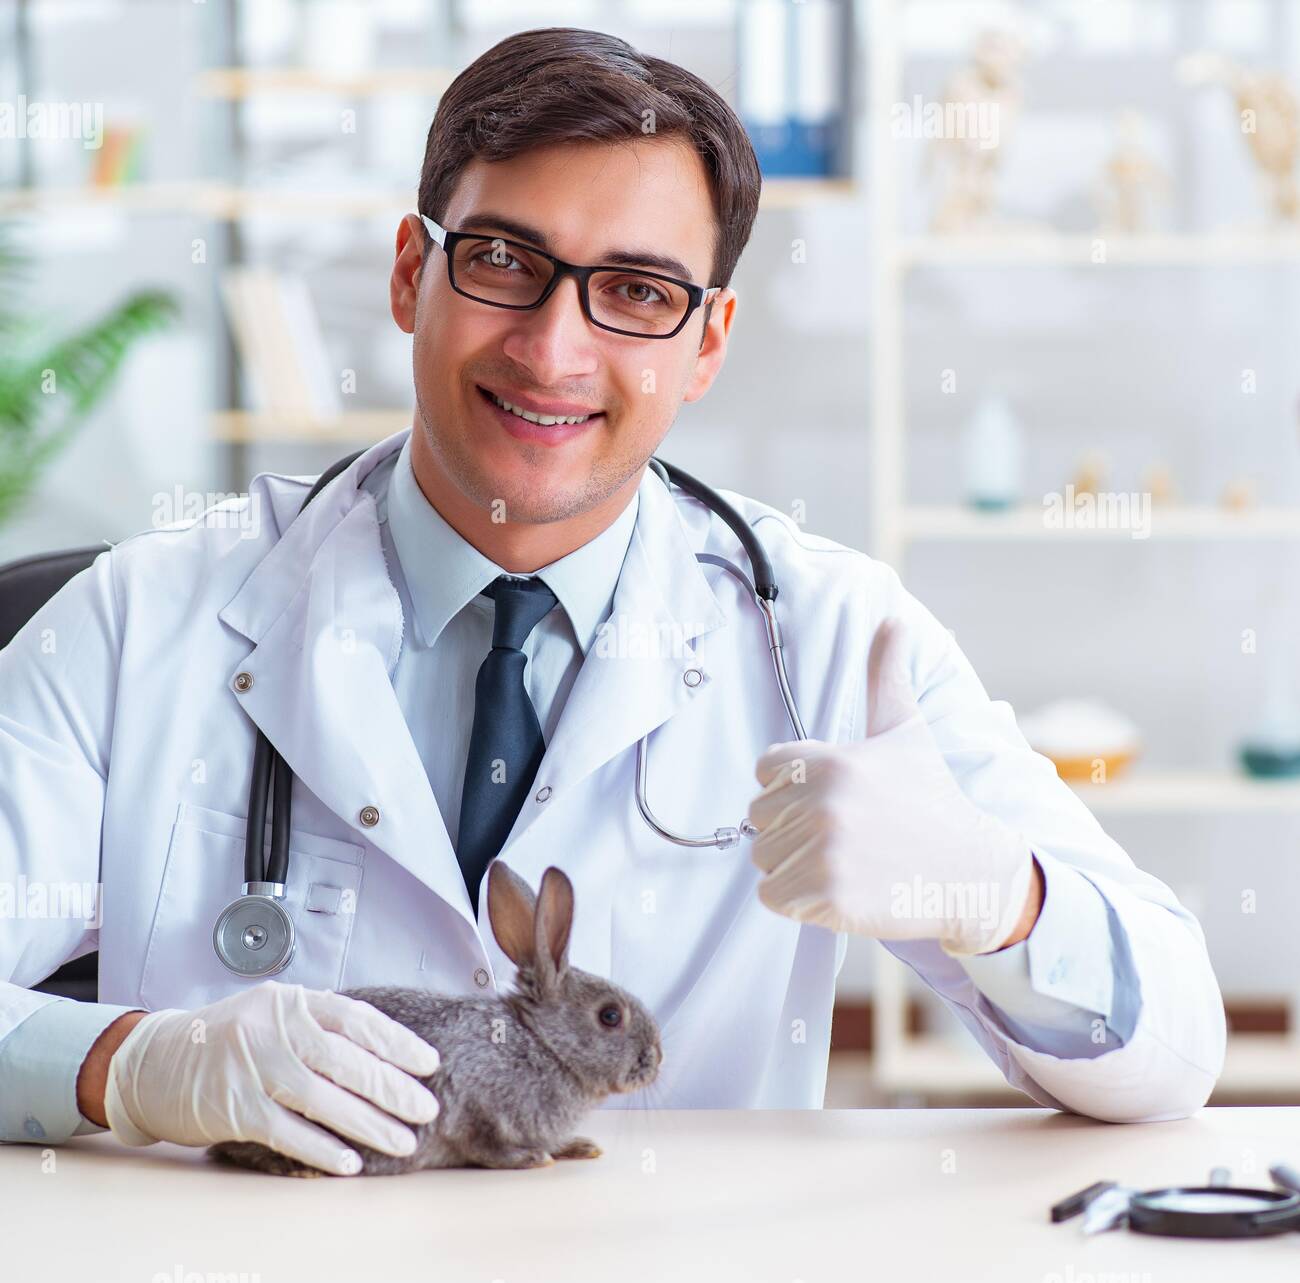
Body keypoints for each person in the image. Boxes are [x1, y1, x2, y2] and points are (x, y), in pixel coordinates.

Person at [0, 28, 1224, 1176]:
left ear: (707, 343)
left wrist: (993, 895)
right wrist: (126, 1064)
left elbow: (1173, 1054)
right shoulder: (141, 618)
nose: (552, 348)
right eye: (502, 261)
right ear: (411, 271)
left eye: (637, 292)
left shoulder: (834, 637)